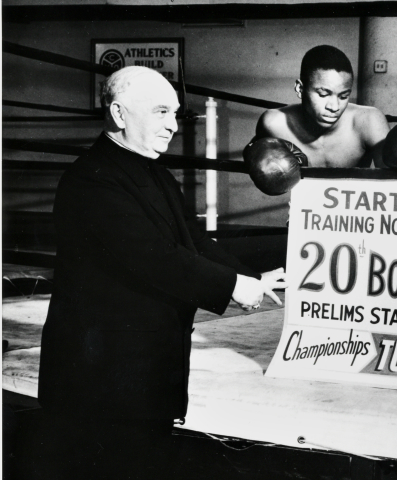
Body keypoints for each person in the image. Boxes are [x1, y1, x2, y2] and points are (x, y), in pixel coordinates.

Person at [36, 66, 286, 479]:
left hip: (143, 375)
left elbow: (193, 240)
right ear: (118, 114)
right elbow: (155, 257)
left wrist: (251, 278)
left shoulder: (154, 171)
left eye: (174, 114)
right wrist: (234, 286)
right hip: (99, 383)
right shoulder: (91, 179)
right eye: (160, 112)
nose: (172, 126)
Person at [255, 45, 390, 168]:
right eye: (323, 94)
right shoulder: (274, 124)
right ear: (300, 88)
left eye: (343, 96)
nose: (334, 107)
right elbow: (255, 158)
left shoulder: (369, 121)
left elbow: (395, 184)